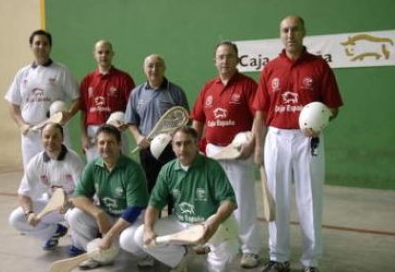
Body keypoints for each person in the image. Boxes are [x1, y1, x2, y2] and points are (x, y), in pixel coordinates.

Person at [253, 15, 343, 272]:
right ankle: (278, 257)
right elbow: (260, 112)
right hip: (276, 137)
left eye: (294, 29)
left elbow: (333, 107)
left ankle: (310, 261)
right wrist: (259, 146)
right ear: (280, 34)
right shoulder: (270, 68)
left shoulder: (319, 67)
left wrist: (319, 121)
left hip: (309, 140)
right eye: (285, 30)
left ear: (304, 32)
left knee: (310, 199)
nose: (290, 34)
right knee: (276, 199)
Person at [191, 41, 260, 268]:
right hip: (212, 151)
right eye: (221, 57)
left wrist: (252, 145)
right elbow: (198, 120)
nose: (225, 61)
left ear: (237, 59)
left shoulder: (248, 86)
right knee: (211, 200)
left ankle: (249, 249)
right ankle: (212, 240)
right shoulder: (208, 88)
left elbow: (259, 118)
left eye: (230, 56)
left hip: (239, 153)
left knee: (242, 201)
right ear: (215, 60)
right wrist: (193, 146)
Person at [134, 126, 239, 272]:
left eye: (188, 143)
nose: (182, 148)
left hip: (210, 223)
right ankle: (179, 259)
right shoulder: (167, 170)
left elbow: (229, 201)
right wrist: (148, 230)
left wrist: (215, 221)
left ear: (196, 145)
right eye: (178, 144)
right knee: (140, 235)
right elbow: (154, 204)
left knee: (228, 249)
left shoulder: (212, 167)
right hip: (181, 222)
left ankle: (215, 265)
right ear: (173, 147)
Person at [66, 124, 153, 270]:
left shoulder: (133, 169)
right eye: (101, 142)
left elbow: (134, 209)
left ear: (119, 145)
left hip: (133, 220)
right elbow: (78, 197)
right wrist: (98, 213)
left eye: (110, 142)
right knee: (74, 215)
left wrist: (109, 235)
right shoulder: (93, 166)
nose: (105, 147)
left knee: (128, 239)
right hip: (108, 216)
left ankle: (145, 255)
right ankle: (96, 256)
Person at [5, 29, 80, 169]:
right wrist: (21, 124)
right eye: (37, 43)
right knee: (33, 174)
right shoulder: (22, 74)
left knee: (62, 172)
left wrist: (68, 114)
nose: (41, 46)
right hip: (31, 136)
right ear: (31, 46)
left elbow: (78, 98)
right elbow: (12, 104)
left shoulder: (61, 71)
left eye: (45, 43)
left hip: (56, 133)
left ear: (50, 47)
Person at [8, 123, 84, 251]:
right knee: (16, 218)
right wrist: (29, 213)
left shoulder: (73, 160)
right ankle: (54, 232)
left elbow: (84, 193)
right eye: (47, 137)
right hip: (50, 205)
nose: (50, 141)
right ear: (41, 139)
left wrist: (69, 203)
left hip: (73, 206)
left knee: (75, 216)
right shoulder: (36, 162)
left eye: (55, 137)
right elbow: (23, 194)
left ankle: (80, 243)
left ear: (62, 138)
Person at [124, 54, 189, 195]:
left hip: (171, 148)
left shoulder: (176, 92)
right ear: (144, 69)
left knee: (173, 186)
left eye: (158, 65)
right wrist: (137, 138)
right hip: (146, 148)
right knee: (151, 187)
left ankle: (173, 216)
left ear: (164, 68)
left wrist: (173, 135)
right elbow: (130, 121)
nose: (154, 69)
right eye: (150, 66)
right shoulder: (136, 93)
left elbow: (184, 119)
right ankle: (155, 217)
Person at [80, 40, 135, 162]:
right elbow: (84, 111)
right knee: (97, 171)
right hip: (93, 132)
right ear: (94, 54)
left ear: (112, 54)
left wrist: (123, 124)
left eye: (107, 52)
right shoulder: (87, 80)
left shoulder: (124, 79)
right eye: (100, 52)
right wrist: (83, 136)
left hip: (116, 131)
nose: (103, 55)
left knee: (121, 169)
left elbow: (132, 108)